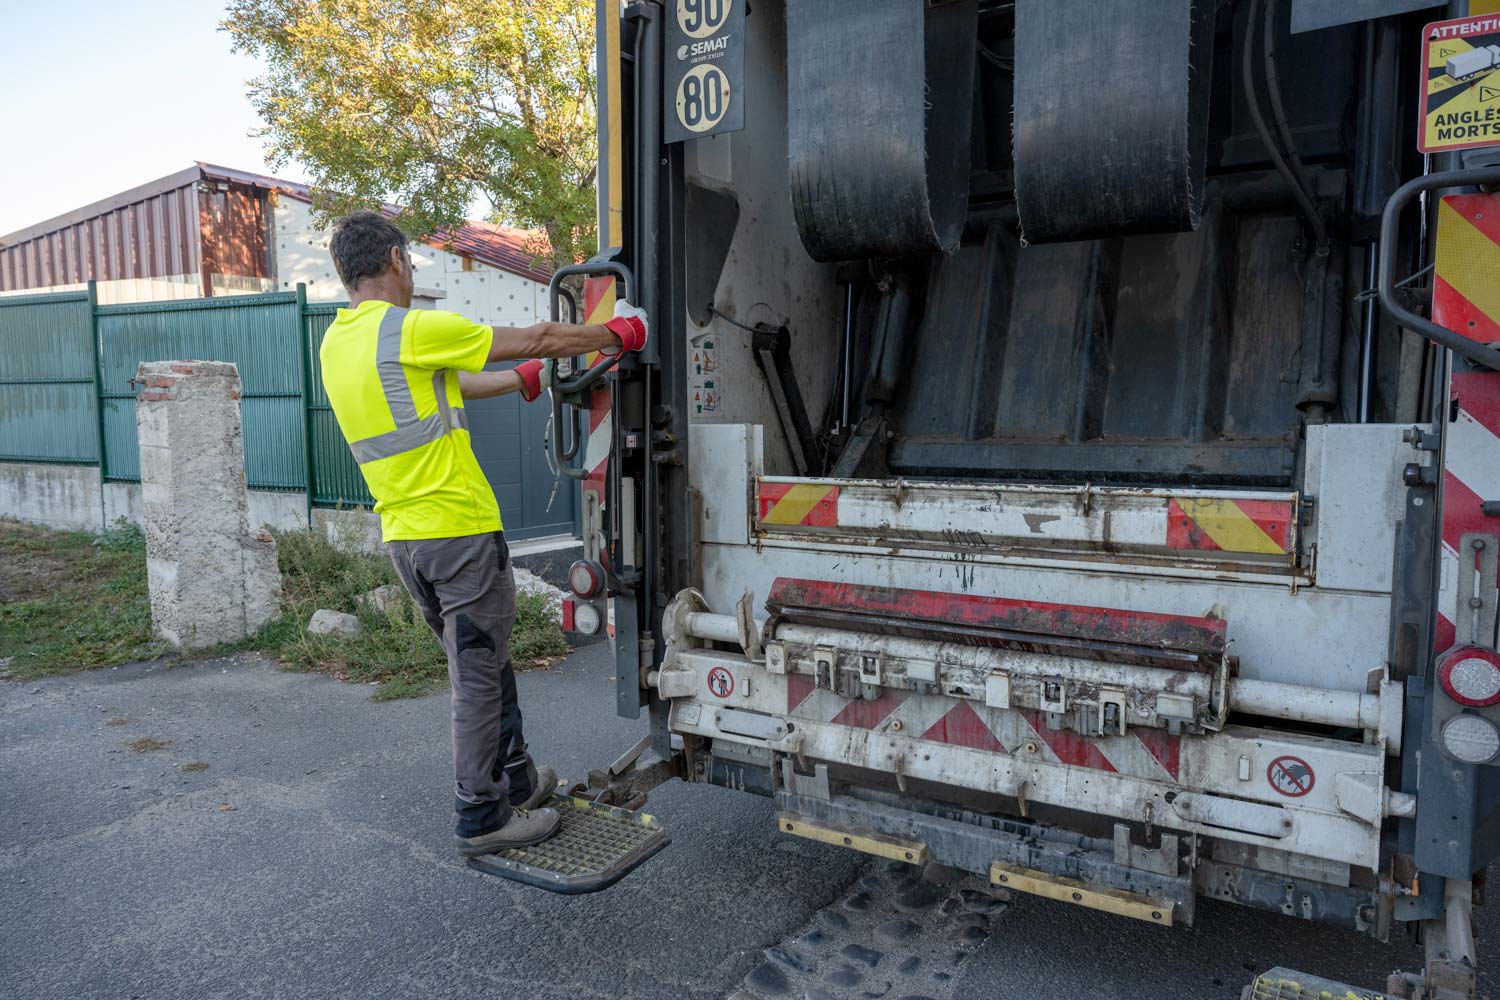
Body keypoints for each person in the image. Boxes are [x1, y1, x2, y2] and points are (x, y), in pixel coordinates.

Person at [318, 211, 647, 856]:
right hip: (459, 534)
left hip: (408, 541)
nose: (412, 274)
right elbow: (539, 337)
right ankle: (482, 816)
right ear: (394, 259)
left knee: (486, 664)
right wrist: (618, 333)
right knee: (476, 676)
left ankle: (516, 780)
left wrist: (521, 383)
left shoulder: (342, 342)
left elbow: (459, 383)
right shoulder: (407, 326)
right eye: (410, 262)